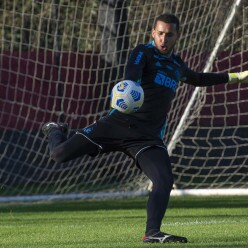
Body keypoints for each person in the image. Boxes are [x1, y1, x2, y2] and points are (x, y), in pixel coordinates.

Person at [42, 13, 248, 243]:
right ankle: (55, 129)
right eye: (160, 33)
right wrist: (131, 87)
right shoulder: (143, 52)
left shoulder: (176, 64)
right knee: (59, 154)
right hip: (117, 124)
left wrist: (237, 77)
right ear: (153, 33)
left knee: (164, 179)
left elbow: (198, 78)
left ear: (177, 36)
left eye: (169, 35)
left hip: (146, 137)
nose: (164, 39)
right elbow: (132, 73)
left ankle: (152, 233)